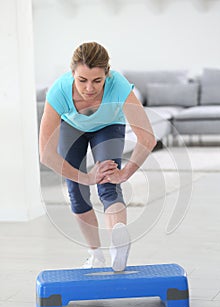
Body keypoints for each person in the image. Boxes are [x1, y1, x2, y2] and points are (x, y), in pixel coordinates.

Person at [39, 42, 156, 271]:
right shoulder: (59, 92)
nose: (89, 88)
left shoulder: (119, 86)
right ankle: (95, 255)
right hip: (72, 126)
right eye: (82, 80)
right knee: (76, 189)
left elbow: (148, 139)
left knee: (109, 182)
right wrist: (85, 178)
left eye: (97, 81)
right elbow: (46, 154)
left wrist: (125, 173)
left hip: (108, 125)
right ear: (72, 74)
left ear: (107, 75)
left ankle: (118, 246)